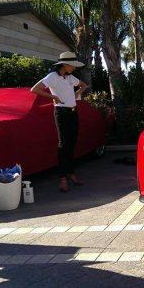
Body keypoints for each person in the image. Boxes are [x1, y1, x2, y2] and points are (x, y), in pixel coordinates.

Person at [31, 52, 88, 192]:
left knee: (72, 143)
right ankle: (62, 178)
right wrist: (53, 96)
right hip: (61, 112)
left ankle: (71, 173)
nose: (74, 68)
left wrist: (76, 94)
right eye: (72, 65)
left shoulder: (70, 77)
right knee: (63, 144)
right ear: (65, 65)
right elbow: (34, 89)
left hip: (73, 112)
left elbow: (84, 85)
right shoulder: (52, 77)